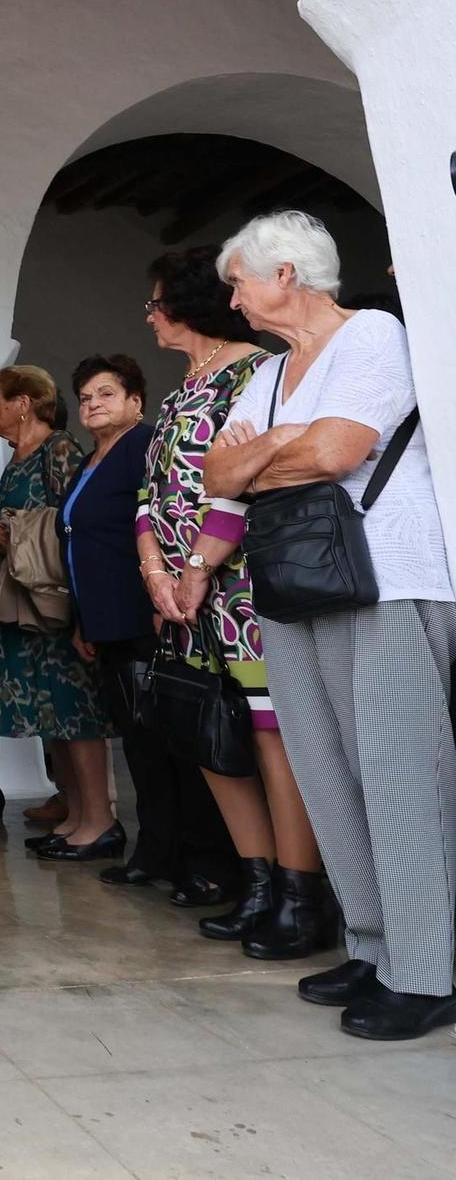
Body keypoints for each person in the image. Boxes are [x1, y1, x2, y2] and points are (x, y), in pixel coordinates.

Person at [206, 211, 452, 1040]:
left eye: (238, 280)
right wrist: (279, 442)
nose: (233, 301)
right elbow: (218, 474)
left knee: (398, 771)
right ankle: (376, 945)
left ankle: (429, 968)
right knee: (324, 769)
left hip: (385, 576)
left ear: (285, 275)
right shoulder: (267, 376)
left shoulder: (372, 334)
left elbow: (338, 452)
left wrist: (271, 450)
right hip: (291, 579)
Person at [137, 248, 320, 947]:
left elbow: (240, 481)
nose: (151, 317)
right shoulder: (182, 386)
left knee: (272, 734)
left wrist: (197, 568)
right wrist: (156, 570)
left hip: (239, 586)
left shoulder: (253, 371)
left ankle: (303, 897)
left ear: (184, 303)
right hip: (185, 595)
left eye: (154, 303)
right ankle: (259, 881)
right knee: (207, 730)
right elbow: (150, 492)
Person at [55, 355, 209, 874]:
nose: (93, 404)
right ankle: (157, 849)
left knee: (166, 742)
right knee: (138, 742)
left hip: (145, 615)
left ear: (135, 402)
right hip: (103, 620)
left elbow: (164, 522)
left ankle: (184, 854)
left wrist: (160, 600)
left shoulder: (142, 446)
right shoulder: (89, 459)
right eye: (85, 398)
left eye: (105, 394)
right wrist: (81, 620)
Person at [0, 365, 115, 851]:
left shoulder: (58, 448)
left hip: (56, 605)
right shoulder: (16, 459)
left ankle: (98, 819)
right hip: (21, 606)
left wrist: (12, 531)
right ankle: (76, 812)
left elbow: (74, 522)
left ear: (24, 402)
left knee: (75, 712)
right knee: (48, 716)